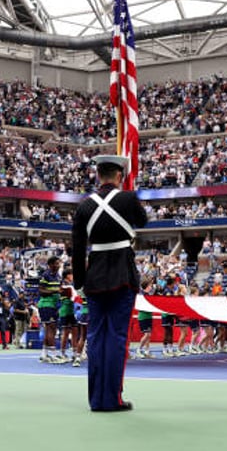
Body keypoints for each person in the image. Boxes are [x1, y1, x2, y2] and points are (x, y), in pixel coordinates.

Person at [72, 154, 148, 412]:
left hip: (94, 278)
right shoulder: (127, 198)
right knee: (117, 338)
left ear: (97, 175)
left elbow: (78, 249)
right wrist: (130, 195)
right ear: (119, 176)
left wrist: (79, 283)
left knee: (95, 337)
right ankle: (112, 398)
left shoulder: (84, 206)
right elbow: (143, 220)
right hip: (122, 277)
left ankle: (96, 399)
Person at [37, 256, 62, 363]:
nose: (58, 265)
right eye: (56, 263)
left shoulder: (58, 276)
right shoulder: (46, 275)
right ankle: (53, 354)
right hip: (46, 304)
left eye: (59, 263)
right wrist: (55, 291)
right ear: (50, 264)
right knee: (51, 328)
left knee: (50, 329)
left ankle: (44, 353)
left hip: (54, 305)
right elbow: (41, 291)